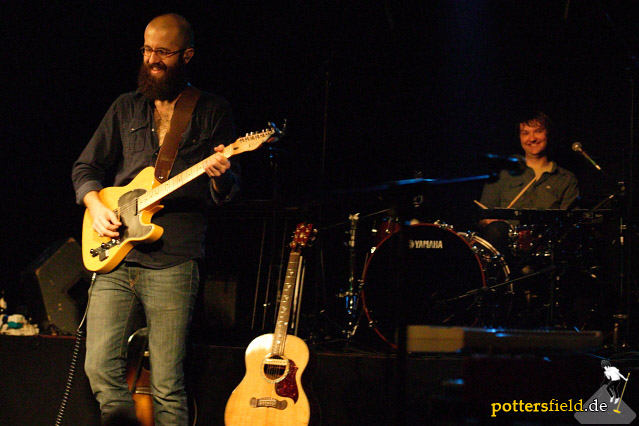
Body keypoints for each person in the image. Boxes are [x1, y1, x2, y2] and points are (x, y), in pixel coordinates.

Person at [72, 13, 240, 425]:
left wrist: (220, 176)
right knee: (98, 367)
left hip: (173, 260)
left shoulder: (212, 110)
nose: (152, 60)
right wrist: (95, 205)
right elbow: (86, 168)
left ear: (187, 55)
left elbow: (228, 192)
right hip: (115, 257)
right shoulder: (125, 106)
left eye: (163, 52)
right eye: (147, 50)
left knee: (166, 383)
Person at [478, 111, 579, 255]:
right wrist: (489, 221)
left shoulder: (566, 179)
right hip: (506, 253)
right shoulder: (502, 174)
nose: (532, 138)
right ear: (519, 137)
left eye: (538, 131)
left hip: (548, 254)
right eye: (525, 133)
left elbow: (569, 225)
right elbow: (482, 217)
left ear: (547, 134)